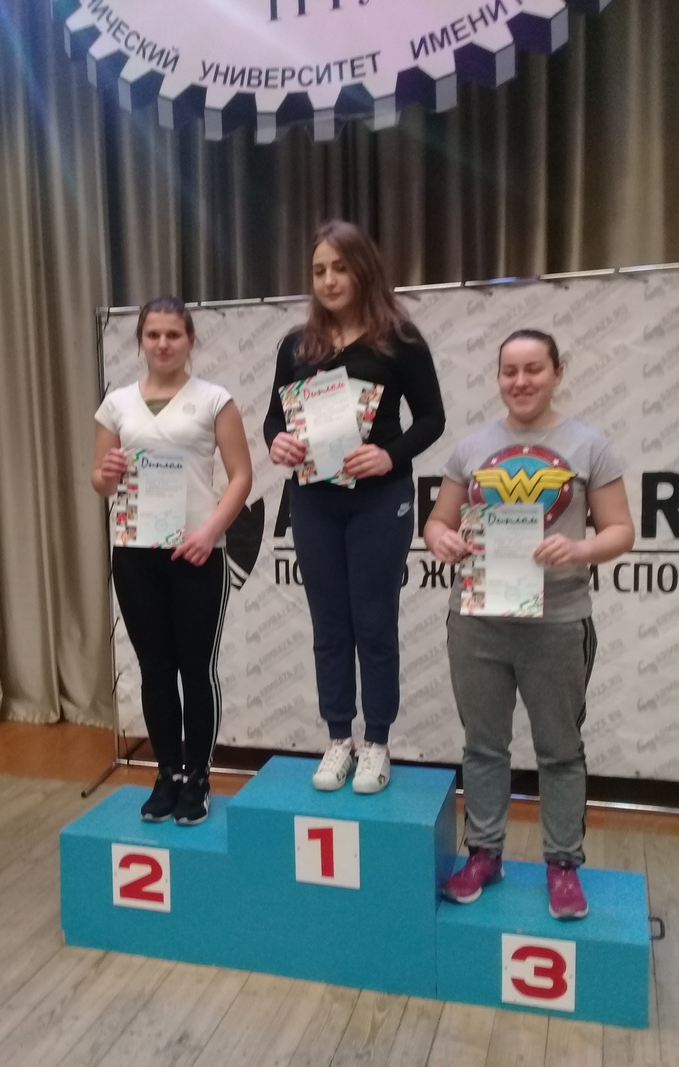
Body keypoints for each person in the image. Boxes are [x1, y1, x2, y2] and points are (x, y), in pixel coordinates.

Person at [423, 329, 635, 919]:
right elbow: (437, 522)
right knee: (482, 745)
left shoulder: (589, 445)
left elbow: (621, 529)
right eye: (509, 371)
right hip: (478, 619)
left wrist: (580, 549)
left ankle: (563, 865)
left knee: (560, 751)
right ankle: (484, 855)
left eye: (534, 369)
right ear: (498, 378)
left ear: (557, 373)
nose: (520, 382)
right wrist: (440, 538)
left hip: (558, 621)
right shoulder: (471, 448)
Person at [263, 220, 445, 794]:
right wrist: (277, 443)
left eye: (340, 268)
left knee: (373, 621)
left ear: (364, 270)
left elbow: (432, 418)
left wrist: (389, 456)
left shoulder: (400, 340)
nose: (329, 280)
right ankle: (339, 737)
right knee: (330, 623)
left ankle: (377, 742)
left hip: (378, 502)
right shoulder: (297, 346)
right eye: (319, 270)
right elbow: (273, 419)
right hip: (313, 501)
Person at [93, 297, 252, 826]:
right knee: (155, 670)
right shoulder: (116, 404)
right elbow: (100, 480)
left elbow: (241, 476)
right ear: (140, 340)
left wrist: (210, 532)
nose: (163, 344)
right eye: (153, 334)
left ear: (190, 340)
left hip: (197, 553)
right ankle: (167, 774)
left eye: (173, 334)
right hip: (135, 553)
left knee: (196, 669)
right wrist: (107, 473)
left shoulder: (214, 400)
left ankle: (198, 778)